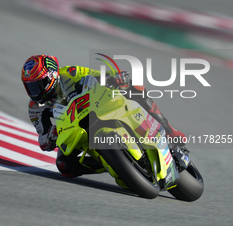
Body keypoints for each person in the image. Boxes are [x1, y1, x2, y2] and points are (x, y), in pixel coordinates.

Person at [21, 54, 186, 178]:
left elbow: (96, 76)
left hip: (96, 108)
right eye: (30, 87)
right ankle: (110, 164)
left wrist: (114, 77)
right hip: (74, 133)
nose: (34, 91)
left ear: (52, 76)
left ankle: (168, 130)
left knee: (133, 85)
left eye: (38, 85)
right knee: (64, 165)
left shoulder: (70, 73)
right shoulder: (35, 108)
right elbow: (42, 140)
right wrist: (50, 136)